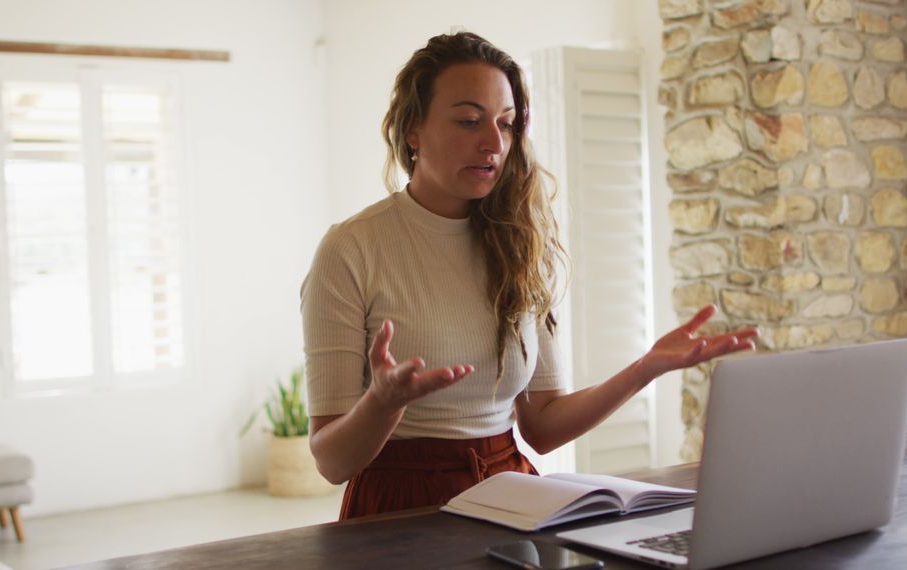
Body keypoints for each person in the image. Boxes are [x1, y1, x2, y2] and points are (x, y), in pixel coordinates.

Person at [300, 31, 757, 520]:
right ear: (413, 130)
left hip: (509, 494)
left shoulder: (517, 241)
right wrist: (382, 403)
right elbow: (332, 462)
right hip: (399, 506)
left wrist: (647, 367)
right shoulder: (350, 249)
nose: (494, 143)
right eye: (469, 121)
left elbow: (540, 426)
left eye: (507, 123)